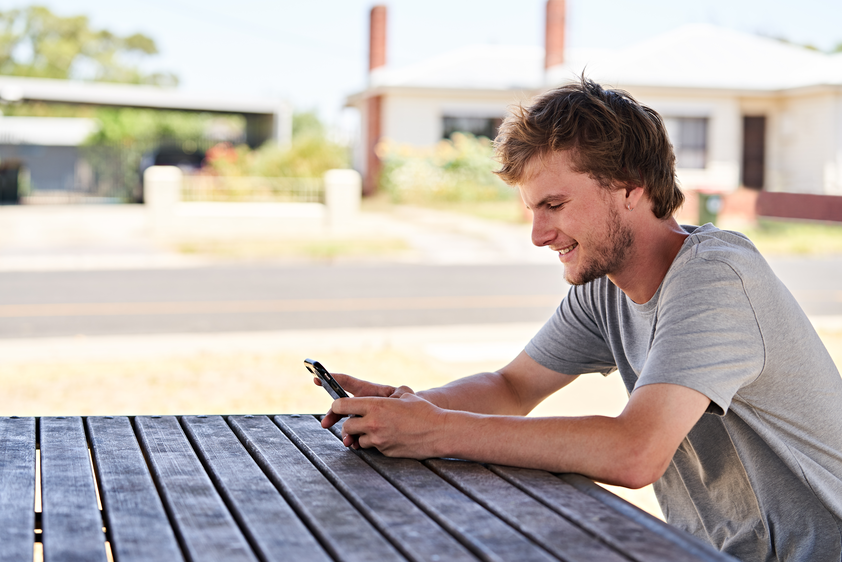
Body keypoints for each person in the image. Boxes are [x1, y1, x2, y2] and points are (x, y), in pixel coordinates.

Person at [319, 77, 842, 561]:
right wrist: (404, 411)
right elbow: (510, 386)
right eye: (533, 210)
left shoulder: (717, 277)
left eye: (556, 204)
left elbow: (635, 452)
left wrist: (437, 433)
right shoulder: (607, 286)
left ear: (631, 187)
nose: (539, 235)